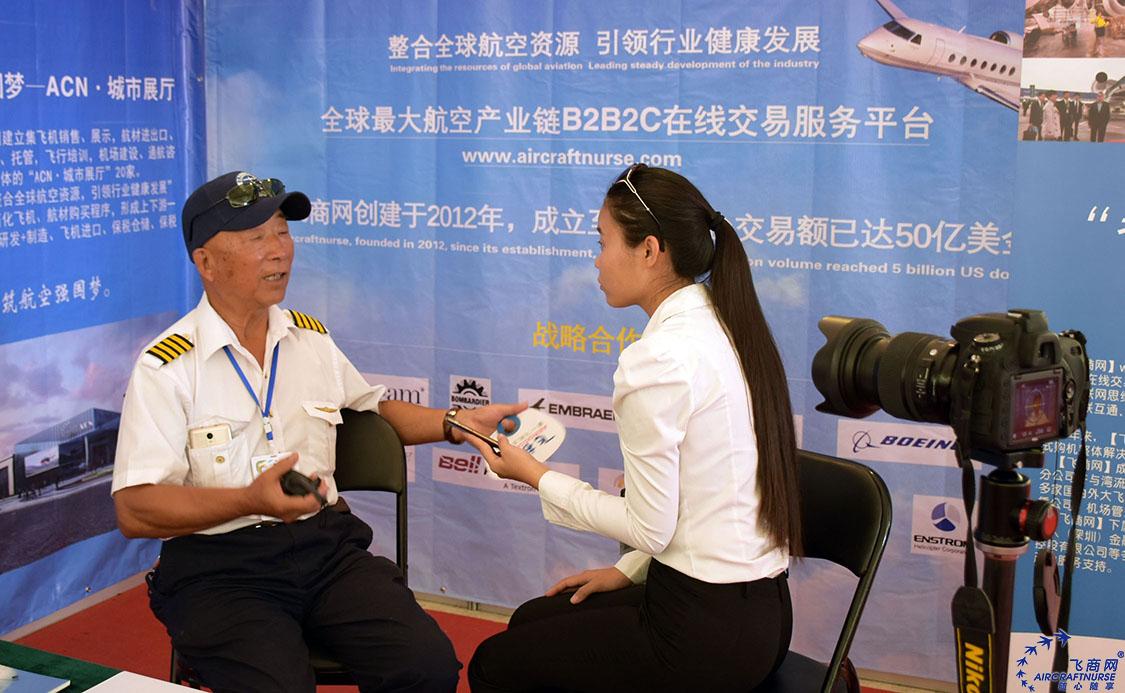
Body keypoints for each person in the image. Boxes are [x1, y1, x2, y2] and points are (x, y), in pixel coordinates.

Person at [112, 170, 523, 693]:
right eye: (256, 237)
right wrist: (247, 500)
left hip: (325, 550)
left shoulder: (310, 339)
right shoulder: (167, 367)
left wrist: (455, 423)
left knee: (426, 665)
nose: (279, 250)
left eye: (283, 232)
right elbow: (135, 508)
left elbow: (374, 410)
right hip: (219, 570)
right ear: (206, 262)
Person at [465, 164, 802, 693]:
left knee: (491, 664)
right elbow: (700, 502)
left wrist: (534, 475)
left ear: (649, 250)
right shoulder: (726, 324)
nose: (597, 260)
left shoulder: (659, 359)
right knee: (533, 619)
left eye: (603, 242)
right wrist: (629, 571)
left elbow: (650, 528)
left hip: (700, 634)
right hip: (762, 617)